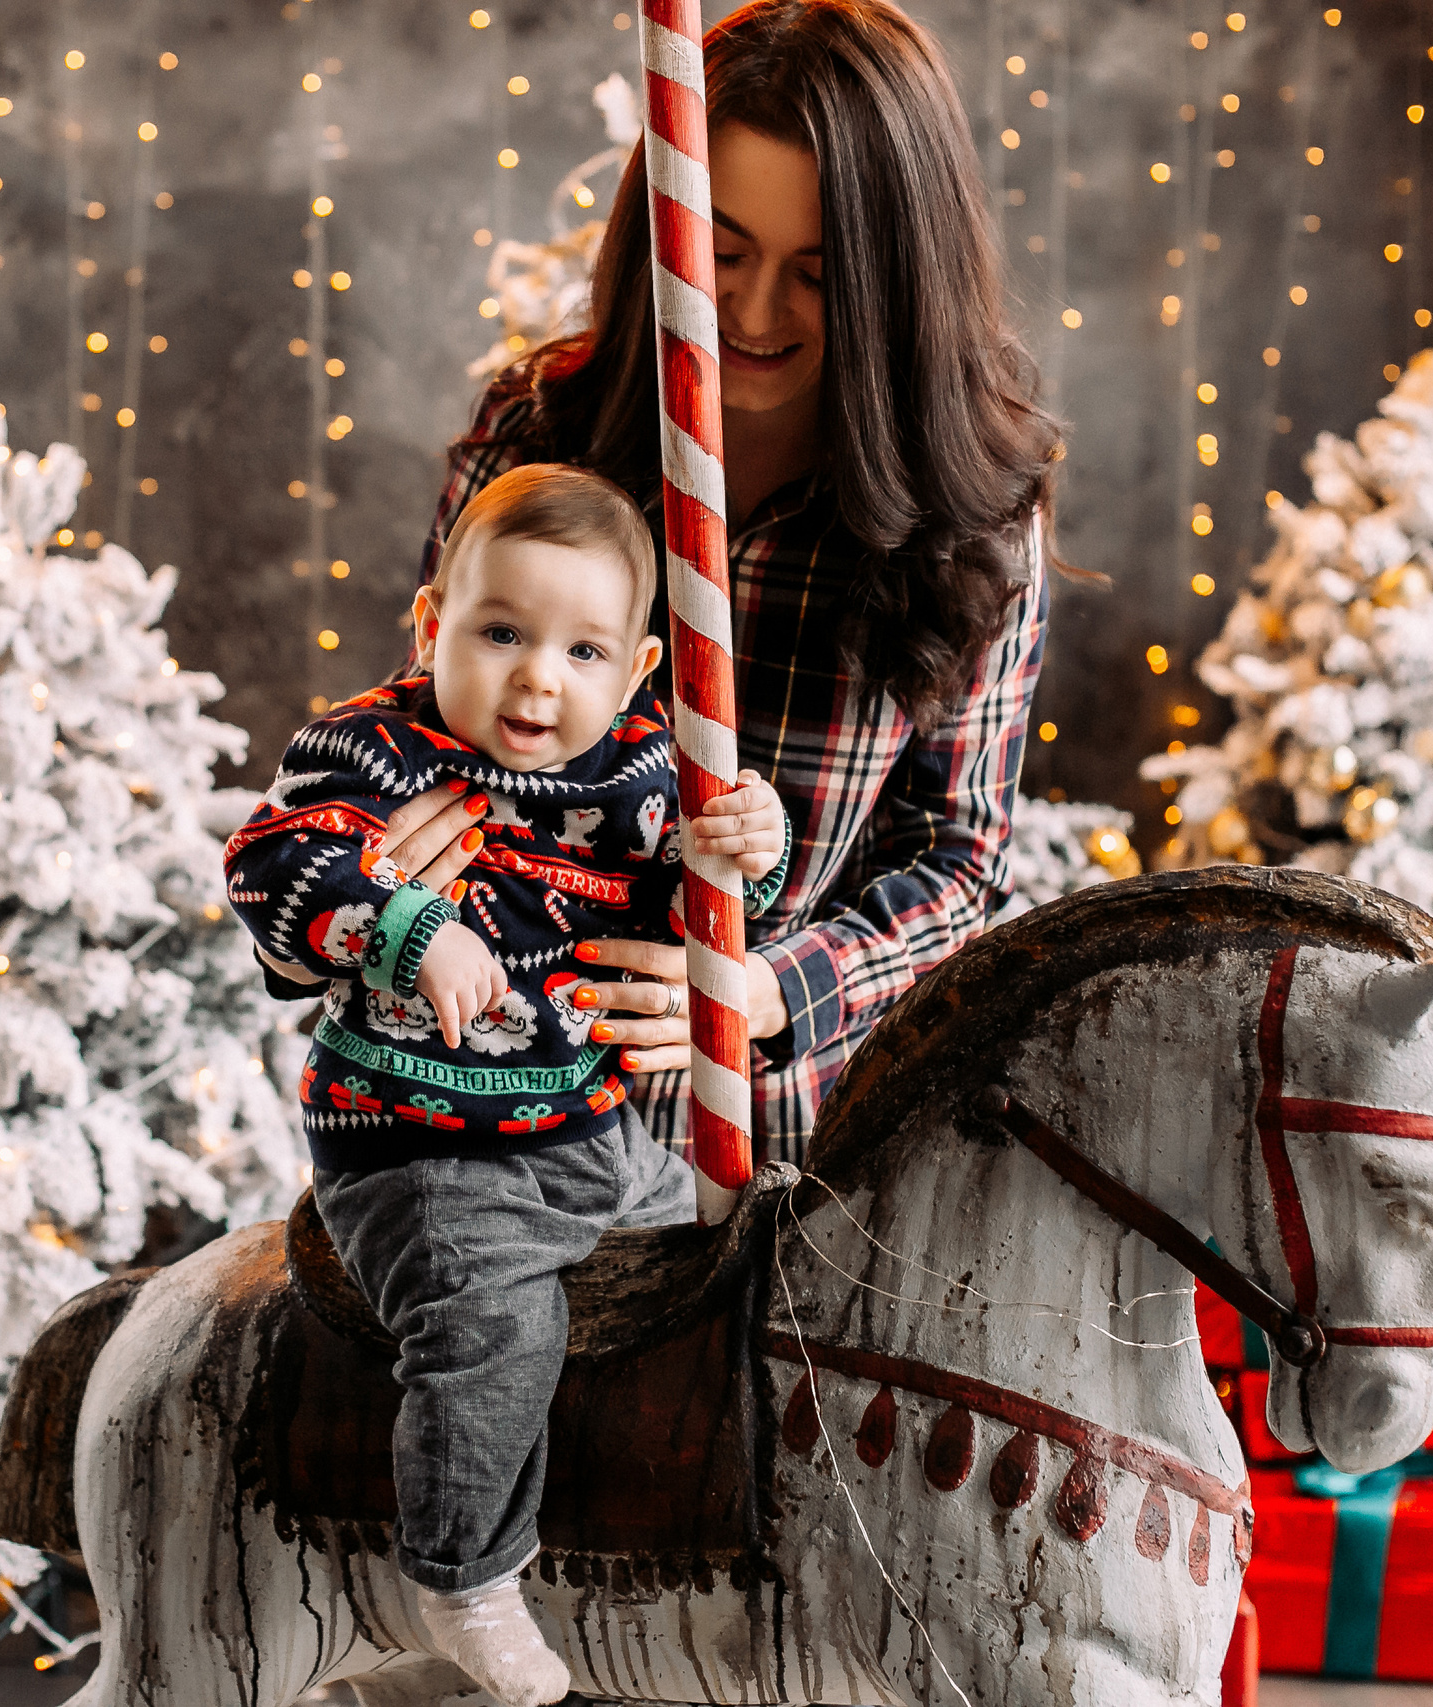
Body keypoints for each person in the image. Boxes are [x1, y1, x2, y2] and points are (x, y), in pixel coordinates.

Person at [355, 0, 1064, 1166]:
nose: (753, 310)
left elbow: (954, 861)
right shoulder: (538, 438)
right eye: (721, 254)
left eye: (817, 275)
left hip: (797, 1149)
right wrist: (379, 868)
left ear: (896, 279)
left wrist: (769, 989)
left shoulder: (975, 518)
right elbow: (434, 725)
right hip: (503, 1113)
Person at [224, 463, 787, 1707]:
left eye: (582, 652)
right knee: (492, 1325)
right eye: (500, 634)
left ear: (637, 672)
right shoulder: (372, 748)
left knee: (740, 1249)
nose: (539, 679)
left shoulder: (642, 770)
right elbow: (268, 865)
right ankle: (465, 1576)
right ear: (432, 623)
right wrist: (402, 926)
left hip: (586, 1130)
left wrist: (744, 847)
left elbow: (700, 910)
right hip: (417, 1142)